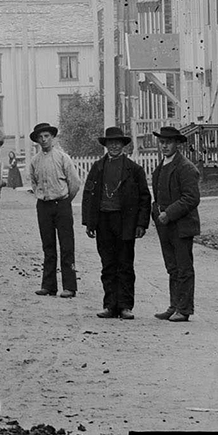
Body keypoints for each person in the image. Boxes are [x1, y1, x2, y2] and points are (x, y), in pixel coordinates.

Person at [82, 126, 151, 319]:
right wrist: (89, 222)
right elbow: (88, 195)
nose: (114, 146)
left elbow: (145, 198)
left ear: (123, 145)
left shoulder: (134, 170)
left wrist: (141, 224)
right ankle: (110, 305)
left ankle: (125, 306)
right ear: (105, 145)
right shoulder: (97, 168)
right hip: (103, 221)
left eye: (117, 143)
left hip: (125, 222)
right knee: (108, 264)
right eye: (110, 143)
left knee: (125, 264)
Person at [149, 126, 200, 322]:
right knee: (172, 267)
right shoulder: (161, 167)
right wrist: (156, 214)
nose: (165, 146)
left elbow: (191, 198)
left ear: (177, 144)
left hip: (182, 225)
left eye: (168, 142)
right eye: (162, 142)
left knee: (184, 267)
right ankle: (174, 305)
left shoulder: (186, 167)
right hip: (165, 225)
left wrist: (168, 214)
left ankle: (184, 309)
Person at [25, 123, 79, 298]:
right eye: (40, 137)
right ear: (37, 140)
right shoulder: (35, 161)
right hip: (44, 206)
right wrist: (43, 197)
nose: (44, 140)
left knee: (66, 246)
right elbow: (34, 183)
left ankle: (69, 287)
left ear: (52, 137)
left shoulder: (63, 158)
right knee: (48, 246)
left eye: (47, 136)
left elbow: (74, 183)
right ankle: (49, 286)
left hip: (62, 204)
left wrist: (65, 200)